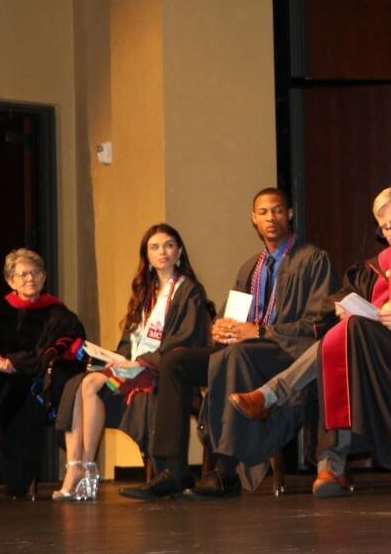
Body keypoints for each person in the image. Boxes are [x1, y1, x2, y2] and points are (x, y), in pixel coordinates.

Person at [229, 186, 391, 497]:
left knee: (348, 334)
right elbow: (334, 302)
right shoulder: (376, 266)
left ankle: (278, 402)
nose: (390, 234)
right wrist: (339, 306)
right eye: (384, 228)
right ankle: (328, 467)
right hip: (371, 356)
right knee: (343, 336)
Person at [119, 188, 337, 499]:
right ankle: (172, 470)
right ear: (253, 219)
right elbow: (230, 317)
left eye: (277, 210)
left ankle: (225, 471)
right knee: (175, 362)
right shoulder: (250, 268)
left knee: (236, 355)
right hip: (245, 349)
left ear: (289, 214)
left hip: (288, 353)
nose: (270, 218)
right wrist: (220, 328)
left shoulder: (313, 259)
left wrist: (259, 332)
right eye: (263, 212)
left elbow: (318, 323)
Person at [52, 224, 210, 500]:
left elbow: (184, 341)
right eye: (154, 247)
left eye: (169, 245)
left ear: (179, 252)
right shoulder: (145, 292)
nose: (162, 252)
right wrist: (118, 359)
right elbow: (129, 338)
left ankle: (85, 471)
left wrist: (143, 362)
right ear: (146, 256)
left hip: (161, 370)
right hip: (132, 367)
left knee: (90, 386)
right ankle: (78, 467)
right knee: (79, 384)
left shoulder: (189, 291)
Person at [0, 248, 86, 502]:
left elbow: (55, 352)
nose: (30, 278)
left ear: (44, 277)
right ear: (10, 281)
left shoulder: (59, 315)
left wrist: (14, 362)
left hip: (31, 383)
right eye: (23, 274)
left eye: (36, 272)